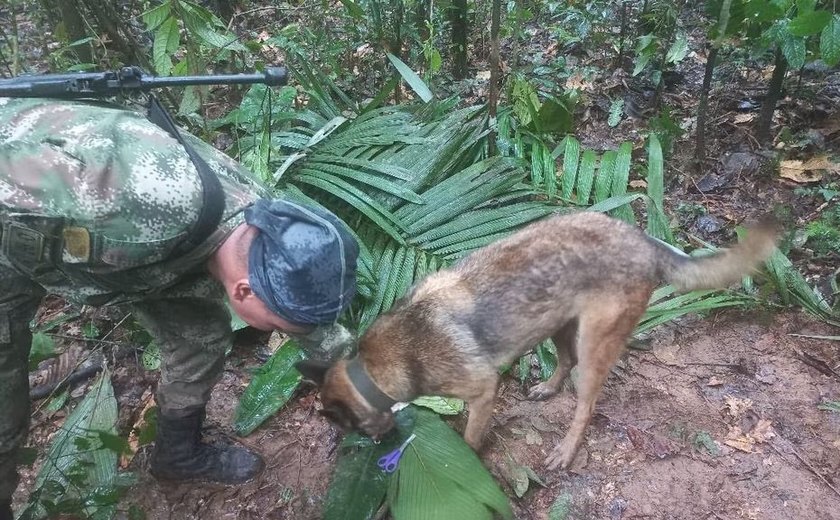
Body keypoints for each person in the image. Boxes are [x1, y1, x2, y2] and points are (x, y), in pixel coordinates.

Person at [0, 96, 359, 518]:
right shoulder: (127, 220)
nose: (297, 332)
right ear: (242, 292)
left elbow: (307, 316)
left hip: (132, 248)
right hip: (17, 225)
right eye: (287, 328)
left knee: (200, 340)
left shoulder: (265, 223)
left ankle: (177, 454)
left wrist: (365, 380)